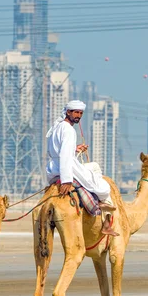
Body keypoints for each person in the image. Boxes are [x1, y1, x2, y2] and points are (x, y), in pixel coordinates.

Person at [46, 100, 119, 236]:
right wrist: (66, 181)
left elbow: (60, 151)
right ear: (68, 112)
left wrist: (75, 148)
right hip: (66, 167)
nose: (78, 116)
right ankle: (106, 218)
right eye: (76, 112)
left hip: (54, 167)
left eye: (80, 113)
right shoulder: (68, 130)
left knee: (94, 167)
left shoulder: (58, 127)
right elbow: (65, 156)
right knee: (103, 187)